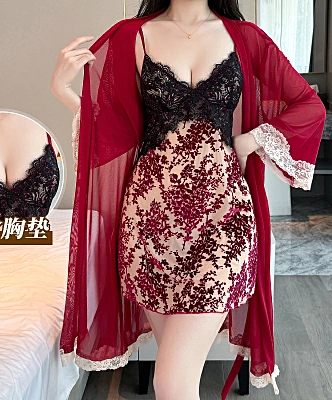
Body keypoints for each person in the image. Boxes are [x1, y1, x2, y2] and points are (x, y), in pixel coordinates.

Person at [50, 1, 326, 399]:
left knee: (170, 382)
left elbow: (309, 106)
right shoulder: (130, 36)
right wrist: (62, 92)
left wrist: (251, 139)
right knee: (176, 383)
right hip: (149, 225)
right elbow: (111, 132)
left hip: (225, 221)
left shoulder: (246, 38)